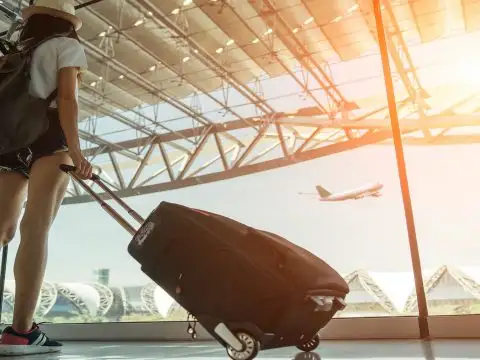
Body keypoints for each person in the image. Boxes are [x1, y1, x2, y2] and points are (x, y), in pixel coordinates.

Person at [0, 0, 93, 354]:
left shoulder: (17, 51)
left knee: (1, 231)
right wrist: (77, 151)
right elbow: (67, 99)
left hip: (9, 144)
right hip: (49, 140)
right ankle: (21, 332)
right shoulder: (66, 45)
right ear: (66, 20)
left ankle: (20, 330)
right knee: (35, 229)